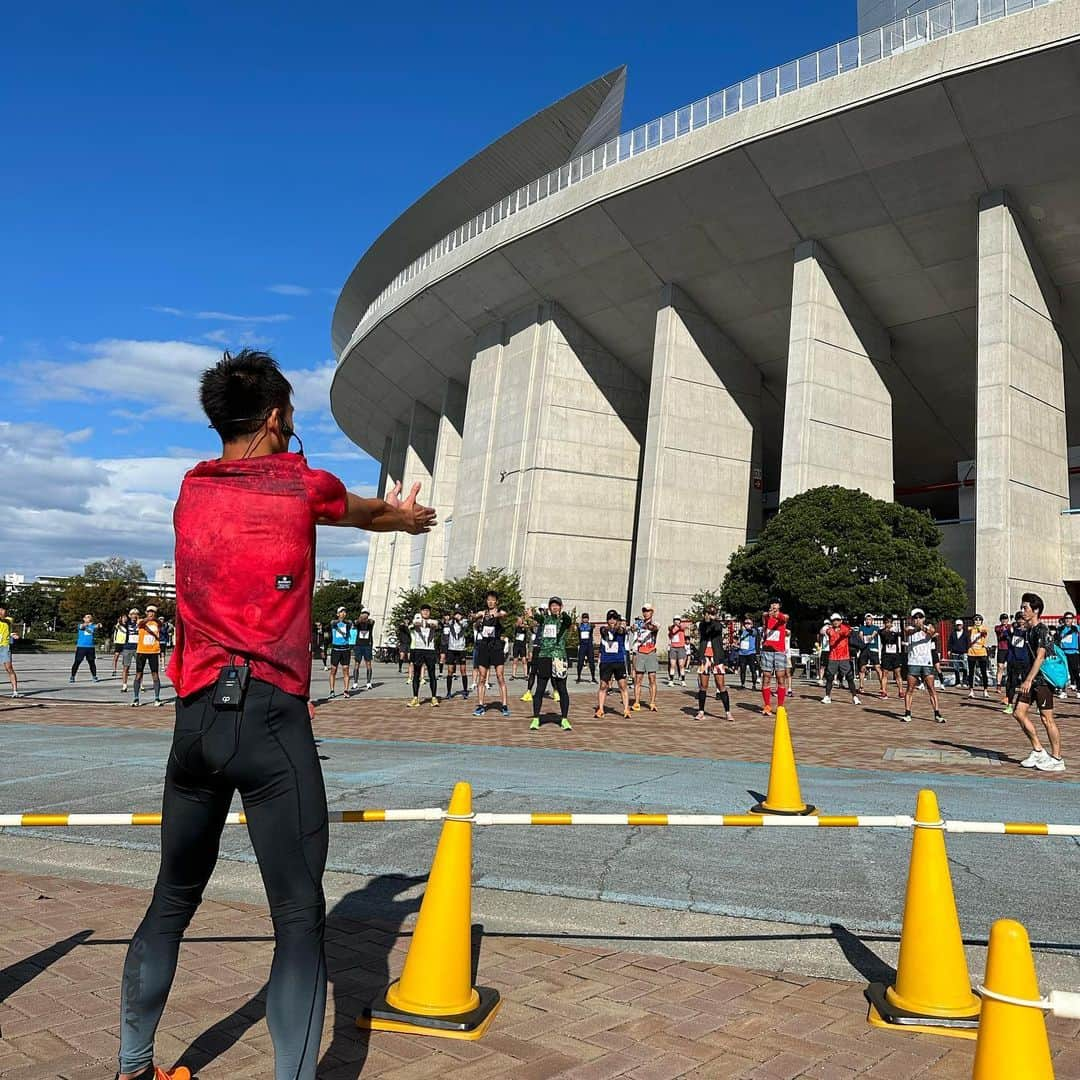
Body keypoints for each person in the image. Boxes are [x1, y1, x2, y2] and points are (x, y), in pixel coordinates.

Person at [116, 347, 434, 1080]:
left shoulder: (189, 490)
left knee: (170, 902)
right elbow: (370, 511)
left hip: (193, 723)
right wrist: (407, 519)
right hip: (269, 722)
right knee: (297, 922)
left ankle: (133, 1068)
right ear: (276, 417)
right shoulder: (301, 484)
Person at [1013, 592, 1065, 772]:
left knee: (1046, 718)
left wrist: (1028, 679)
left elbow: (1041, 656)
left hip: (1042, 681)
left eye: (1025, 607)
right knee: (1018, 713)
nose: (1022, 611)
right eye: (1022, 607)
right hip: (1030, 680)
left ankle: (1057, 758)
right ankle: (1038, 750)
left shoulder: (1042, 629)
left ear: (1035, 610)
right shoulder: (1028, 631)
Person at [528, 598, 573, 730]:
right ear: (549, 607)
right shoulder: (545, 619)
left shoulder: (563, 620)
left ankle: (564, 719)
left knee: (562, 689)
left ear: (561, 607)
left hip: (559, 658)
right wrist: (531, 614)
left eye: (557, 605)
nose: (555, 607)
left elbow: (568, 621)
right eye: (552, 605)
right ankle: (536, 719)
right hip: (544, 657)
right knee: (540, 688)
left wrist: (562, 615)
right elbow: (537, 618)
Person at [471, 591, 510, 716]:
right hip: (484, 647)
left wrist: (495, 616)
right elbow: (475, 616)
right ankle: (481, 705)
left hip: (497, 647)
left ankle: (504, 705)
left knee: (500, 676)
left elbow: (503, 615)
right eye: (488, 600)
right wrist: (473, 616)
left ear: (496, 601)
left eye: (493, 600)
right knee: (482, 677)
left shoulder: (499, 612)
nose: (490, 602)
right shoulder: (483, 613)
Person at [902, 608, 943, 723]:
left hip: (926, 662)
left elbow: (932, 632)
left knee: (931, 688)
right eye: (915, 618)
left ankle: (937, 713)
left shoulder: (928, 627)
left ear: (924, 618)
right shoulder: (910, 628)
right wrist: (917, 628)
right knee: (910, 688)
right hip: (913, 662)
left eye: (920, 617)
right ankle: (907, 713)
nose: (918, 619)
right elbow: (908, 632)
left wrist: (923, 627)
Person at [695, 605, 732, 722]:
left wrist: (711, 619)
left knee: (721, 685)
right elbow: (704, 630)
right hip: (705, 657)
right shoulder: (701, 624)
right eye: (707, 613)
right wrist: (706, 620)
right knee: (703, 686)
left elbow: (716, 629)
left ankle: (727, 712)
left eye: (711, 613)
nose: (708, 615)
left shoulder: (718, 624)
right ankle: (701, 711)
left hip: (717, 658)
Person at [596, 610, 631, 719]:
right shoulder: (604, 630)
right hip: (606, 661)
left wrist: (617, 627)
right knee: (603, 685)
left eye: (614, 619)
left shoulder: (621, 630)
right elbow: (603, 631)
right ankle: (601, 709)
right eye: (610, 619)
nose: (612, 621)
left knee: (622, 685)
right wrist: (609, 628)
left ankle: (626, 709)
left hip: (618, 661)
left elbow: (621, 631)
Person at [759, 601, 789, 716]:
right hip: (767, 651)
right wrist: (769, 614)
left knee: (781, 677)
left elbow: (784, 618)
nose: (773, 608)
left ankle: (780, 706)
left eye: (776, 607)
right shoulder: (767, 617)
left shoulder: (783, 617)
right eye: (772, 606)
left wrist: (777, 614)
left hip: (779, 651)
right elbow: (764, 616)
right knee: (766, 677)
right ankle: (767, 705)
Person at [822, 614, 860, 705]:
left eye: (838, 620)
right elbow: (823, 631)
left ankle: (855, 697)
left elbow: (847, 633)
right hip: (833, 657)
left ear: (841, 621)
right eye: (834, 620)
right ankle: (827, 696)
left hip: (844, 657)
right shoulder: (830, 630)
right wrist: (828, 628)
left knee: (849, 677)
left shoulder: (845, 628)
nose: (836, 622)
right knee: (829, 677)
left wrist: (840, 632)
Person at [406, 605, 440, 707]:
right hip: (418, 650)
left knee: (432, 674)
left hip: (430, 650)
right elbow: (413, 624)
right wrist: (419, 622)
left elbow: (436, 624)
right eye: (424, 610)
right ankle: (415, 698)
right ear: (420, 612)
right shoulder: (416, 620)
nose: (425, 612)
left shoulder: (433, 621)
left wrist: (428, 623)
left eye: (427, 611)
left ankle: (434, 698)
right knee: (416, 674)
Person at [131, 606, 163, 707]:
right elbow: (140, 624)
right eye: (149, 611)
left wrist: (155, 619)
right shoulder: (141, 621)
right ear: (146, 612)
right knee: (139, 674)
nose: (151, 613)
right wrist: (147, 619)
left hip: (154, 651)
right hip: (142, 651)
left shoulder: (157, 623)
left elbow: (161, 624)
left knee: (155, 674)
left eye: (153, 612)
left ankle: (157, 698)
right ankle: (136, 698)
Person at [631, 604, 660, 712]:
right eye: (644, 610)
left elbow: (653, 628)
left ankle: (652, 702)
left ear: (652, 612)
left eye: (648, 611)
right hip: (640, 652)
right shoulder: (638, 623)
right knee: (638, 679)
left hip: (651, 651)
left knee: (652, 678)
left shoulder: (655, 623)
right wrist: (634, 627)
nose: (645, 612)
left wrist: (643, 625)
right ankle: (637, 702)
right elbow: (632, 629)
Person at [1003, 613, 1029, 715]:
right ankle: (1009, 704)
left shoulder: (1029, 631)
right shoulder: (1012, 630)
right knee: (1011, 683)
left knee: (1026, 683)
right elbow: (1004, 634)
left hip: (1025, 660)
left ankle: (1028, 704)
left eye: (1023, 619)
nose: (1021, 621)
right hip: (1013, 660)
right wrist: (1011, 629)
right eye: (1019, 619)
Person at [444, 607, 470, 699]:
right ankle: (448, 692)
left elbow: (465, 626)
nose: (458, 615)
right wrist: (449, 618)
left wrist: (459, 620)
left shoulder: (464, 621)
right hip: (451, 648)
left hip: (461, 649)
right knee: (450, 671)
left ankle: (465, 691)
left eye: (459, 614)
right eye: (456, 614)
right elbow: (447, 622)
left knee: (463, 670)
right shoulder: (451, 622)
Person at [327, 607, 352, 699]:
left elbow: (351, 623)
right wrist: (339, 619)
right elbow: (332, 623)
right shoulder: (334, 623)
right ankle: (332, 690)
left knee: (346, 670)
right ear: (338, 614)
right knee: (333, 670)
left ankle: (346, 690)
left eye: (344, 612)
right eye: (341, 612)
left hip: (345, 649)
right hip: (336, 649)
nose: (343, 613)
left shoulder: (348, 623)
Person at [878, 616, 905, 698]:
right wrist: (889, 631)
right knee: (884, 673)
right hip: (886, 654)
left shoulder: (896, 631)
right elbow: (884, 635)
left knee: (897, 673)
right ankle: (884, 691)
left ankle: (901, 691)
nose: (888, 624)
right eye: (886, 622)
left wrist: (894, 631)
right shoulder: (882, 631)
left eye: (890, 622)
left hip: (895, 654)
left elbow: (900, 634)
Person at [1055, 611, 1080, 699]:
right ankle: (1063, 690)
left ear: (1072, 619)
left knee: (1075, 671)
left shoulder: (1076, 628)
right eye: (1066, 618)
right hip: (1062, 653)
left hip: (1073, 652)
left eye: (1070, 618)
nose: (1068, 620)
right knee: (1063, 672)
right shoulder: (1060, 629)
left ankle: (1078, 688)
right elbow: (1057, 640)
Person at [856, 615, 882, 696]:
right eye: (866, 619)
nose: (868, 621)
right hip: (864, 649)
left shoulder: (875, 627)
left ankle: (882, 686)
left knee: (877, 667)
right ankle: (861, 686)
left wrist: (868, 638)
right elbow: (860, 635)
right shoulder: (862, 628)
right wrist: (863, 638)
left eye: (869, 619)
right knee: (862, 668)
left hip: (873, 649)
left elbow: (873, 635)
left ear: (872, 620)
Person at [70, 614, 100, 683]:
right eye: (87, 617)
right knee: (77, 662)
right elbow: (82, 626)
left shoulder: (92, 626)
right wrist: (87, 624)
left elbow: (97, 626)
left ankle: (94, 676)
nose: (89, 618)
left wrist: (98, 625)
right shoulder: (81, 625)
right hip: (81, 647)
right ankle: (72, 676)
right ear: (84, 619)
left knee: (92, 662)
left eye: (90, 617)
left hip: (90, 647)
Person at [966, 615, 991, 698]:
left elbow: (983, 632)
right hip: (972, 652)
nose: (977, 621)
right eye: (976, 620)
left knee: (983, 672)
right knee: (971, 672)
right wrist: (973, 628)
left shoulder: (984, 628)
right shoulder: (970, 629)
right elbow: (968, 633)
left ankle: (985, 690)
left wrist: (977, 628)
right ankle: (971, 690)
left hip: (981, 652)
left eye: (979, 620)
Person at [352, 610, 374, 691]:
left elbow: (371, 622)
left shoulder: (370, 622)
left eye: (366, 614)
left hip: (367, 645)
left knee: (368, 663)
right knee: (357, 663)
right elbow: (355, 623)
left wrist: (366, 619)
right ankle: (355, 683)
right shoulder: (358, 623)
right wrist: (360, 619)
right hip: (358, 645)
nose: (365, 616)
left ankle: (368, 682)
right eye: (363, 614)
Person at [0, 605, 19, 698]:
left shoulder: (8, 620)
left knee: (9, 668)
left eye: (2, 610)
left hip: (4, 647)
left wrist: (12, 634)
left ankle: (15, 691)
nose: (1, 611)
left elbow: (4, 620)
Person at [736, 616, 759, 691]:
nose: (746, 625)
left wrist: (749, 629)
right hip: (742, 653)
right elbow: (738, 638)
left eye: (748, 623)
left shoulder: (754, 630)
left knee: (753, 669)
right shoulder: (742, 631)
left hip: (751, 652)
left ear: (752, 624)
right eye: (745, 623)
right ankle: (742, 684)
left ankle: (754, 684)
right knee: (742, 669)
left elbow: (753, 632)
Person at [947, 619, 970, 688]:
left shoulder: (966, 634)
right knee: (956, 668)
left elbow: (968, 643)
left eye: (960, 625)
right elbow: (950, 642)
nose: (959, 626)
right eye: (957, 625)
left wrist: (968, 651)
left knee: (965, 667)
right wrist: (949, 650)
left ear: (962, 625)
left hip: (964, 652)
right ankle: (957, 682)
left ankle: (965, 682)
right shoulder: (953, 633)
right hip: (955, 652)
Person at [994, 612, 1012, 695]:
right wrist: (1005, 628)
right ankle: (998, 684)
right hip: (1001, 649)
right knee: (1000, 667)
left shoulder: (1010, 627)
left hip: (1009, 649)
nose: (1004, 620)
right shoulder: (998, 627)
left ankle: (1010, 683)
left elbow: (1012, 632)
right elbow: (1000, 632)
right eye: (1003, 619)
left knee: (1009, 667)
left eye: (1006, 619)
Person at [576, 612, 596, 683]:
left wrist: (592, 627)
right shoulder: (579, 626)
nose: (585, 619)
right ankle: (578, 677)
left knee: (591, 662)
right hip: (582, 645)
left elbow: (593, 627)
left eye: (586, 618)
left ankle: (593, 677)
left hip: (589, 645)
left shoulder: (590, 626)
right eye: (584, 618)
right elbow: (578, 634)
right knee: (580, 662)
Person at [667, 618, 687, 686]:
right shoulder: (671, 628)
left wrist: (678, 625)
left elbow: (684, 626)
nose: (676, 621)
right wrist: (672, 628)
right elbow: (670, 633)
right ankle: (671, 680)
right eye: (675, 620)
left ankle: (683, 680)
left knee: (681, 665)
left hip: (681, 647)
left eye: (678, 619)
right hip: (673, 648)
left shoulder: (681, 627)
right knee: (672, 665)